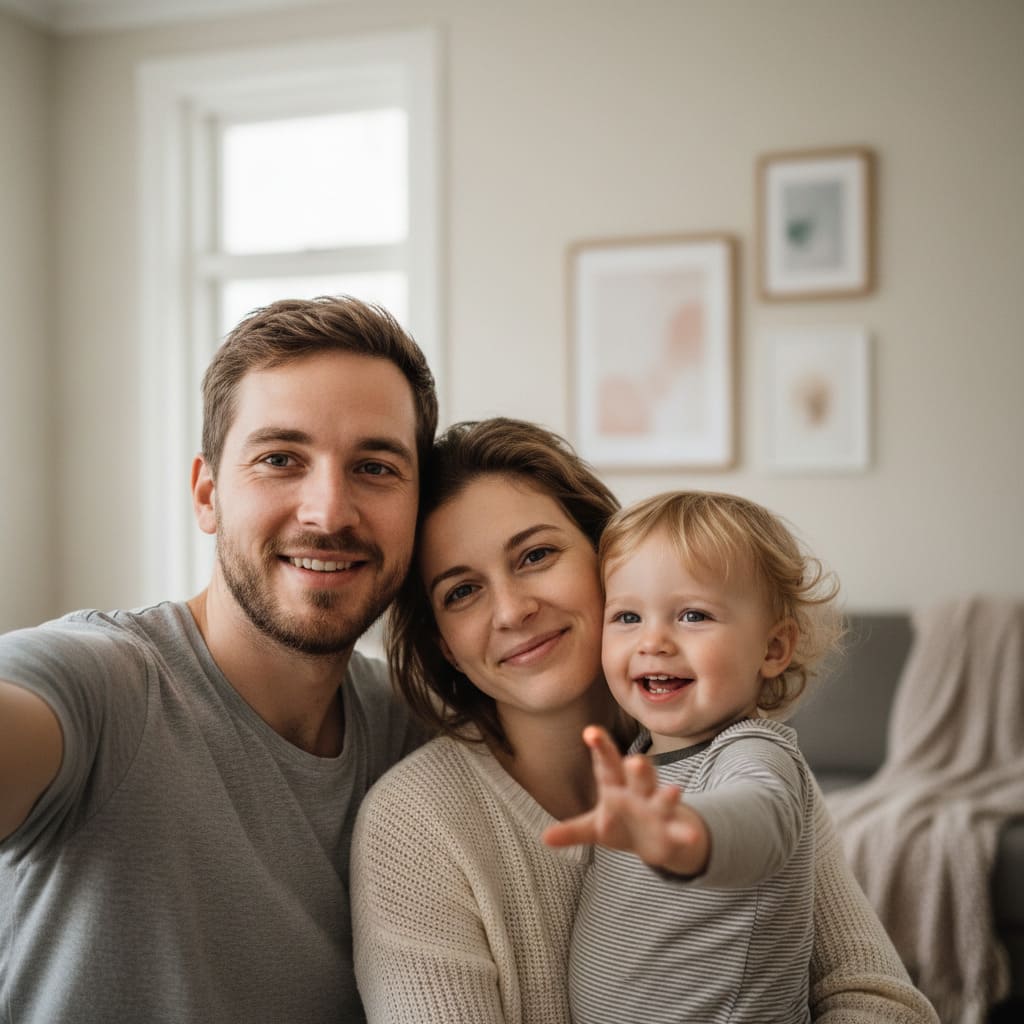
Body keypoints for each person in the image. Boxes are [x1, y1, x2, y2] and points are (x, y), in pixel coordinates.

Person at [350, 418, 939, 1024]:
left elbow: (878, 1001)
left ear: (607, 560)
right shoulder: (414, 828)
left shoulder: (736, 760)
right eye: (461, 592)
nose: (513, 610)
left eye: (536, 554)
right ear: (446, 645)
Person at [0, 296, 437, 1023]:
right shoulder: (102, 686)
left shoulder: (411, 730)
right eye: (279, 459)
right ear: (207, 494)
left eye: (375, 467)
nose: (328, 513)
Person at [545, 490, 840, 1023]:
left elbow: (760, 815)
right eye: (628, 616)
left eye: (694, 615)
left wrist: (690, 832)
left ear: (773, 649)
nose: (653, 641)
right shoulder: (639, 753)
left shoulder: (753, 750)